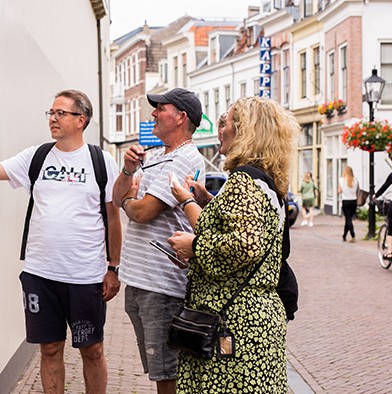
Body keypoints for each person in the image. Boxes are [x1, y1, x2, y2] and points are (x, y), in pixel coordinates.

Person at [0, 89, 122, 394]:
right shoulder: (36, 156)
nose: (53, 119)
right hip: (41, 275)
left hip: (85, 276)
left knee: (93, 350)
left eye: (61, 113)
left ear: (81, 120)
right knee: (49, 349)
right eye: (51, 113)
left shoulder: (101, 162)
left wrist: (113, 267)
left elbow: (113, 219)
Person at [167, 96, 299, 392]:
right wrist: (205, 200)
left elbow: (244, 245)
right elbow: (249, 230)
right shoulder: (266, 182)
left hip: (233, 321)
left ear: (244, 131)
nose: (220, 129)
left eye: (224, 122)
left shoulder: (244, 182)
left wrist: (194, 246)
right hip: (254, 318)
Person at [112, 88, 206, 394]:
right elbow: (117, 196)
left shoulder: (186, 158)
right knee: (158, 370)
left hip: (161, 286)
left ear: (180, 118)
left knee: (167, 374)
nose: (152, 113)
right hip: (141, 280)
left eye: (160, 108)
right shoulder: (154, 157)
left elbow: (142, 212)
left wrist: (128, 200)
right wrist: (127, 171)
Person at [338, 166, 359, 242]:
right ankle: (344, 236)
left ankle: (353, 235)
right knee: (348, 219)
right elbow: (358, 190)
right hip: (353, 201)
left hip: (346, 201)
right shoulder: (355, 180)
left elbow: (339, 191)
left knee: (348, 219)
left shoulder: (341, 180)